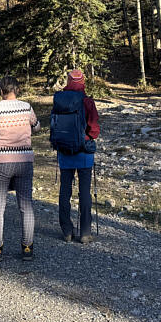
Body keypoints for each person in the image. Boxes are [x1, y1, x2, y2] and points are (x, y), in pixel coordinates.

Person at [0, 76, 40, 262]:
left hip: (0, 161)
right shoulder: (27, 107)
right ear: (16, 90)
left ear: (1, 91)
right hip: (24, 160)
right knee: (25, 205)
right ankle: (27, 248)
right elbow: (36, 127)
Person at [55, 69, 100, 243]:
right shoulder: (87, 102)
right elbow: (94, 131)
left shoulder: (59, 100)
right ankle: (85, 232)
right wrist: (86, 137)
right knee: (85, 192)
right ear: (82, 82)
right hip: (83, 152)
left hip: (64, 151)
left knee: (65, 190)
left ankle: (66, 230)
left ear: (68, 81)